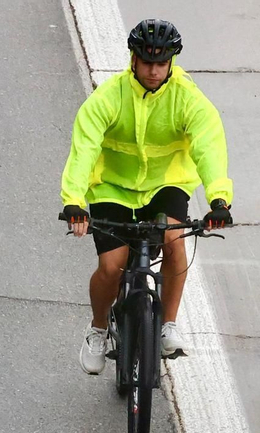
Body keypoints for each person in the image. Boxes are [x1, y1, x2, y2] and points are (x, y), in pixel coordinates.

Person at [60, 18, 233, 375]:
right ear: (133, 59)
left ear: (171, 62)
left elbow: (209, 148)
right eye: (147, 62)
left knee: (173, 241)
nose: (154, 71)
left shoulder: (188, 99)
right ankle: (97, 329)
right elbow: (84, 151)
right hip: (113, 187)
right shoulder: (108, 97)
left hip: (165, 185)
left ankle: (168, 324)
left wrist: (219, 200)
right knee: (111, 266)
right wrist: (74, 201)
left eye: (161, 63)